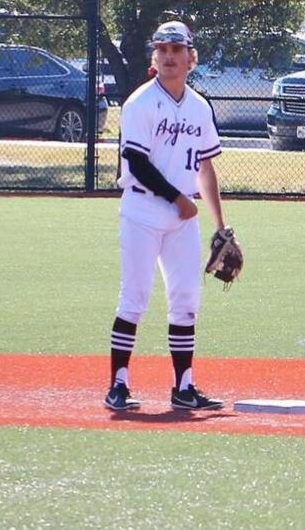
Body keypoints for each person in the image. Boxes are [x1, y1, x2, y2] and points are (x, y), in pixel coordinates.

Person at [104, 20, 229, 412]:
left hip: (182, 216)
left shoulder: (199, 106)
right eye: (163, 50)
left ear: (191, 58)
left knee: (186, 299)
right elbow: (137, 164)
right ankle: (118, 385)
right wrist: (177, 198)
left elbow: (206, 169)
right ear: (154, 58)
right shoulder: (140, 102)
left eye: (177, 50)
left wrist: (222, 226)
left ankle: (184, 386)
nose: (170, 56)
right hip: (142, 209)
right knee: (134, 298)